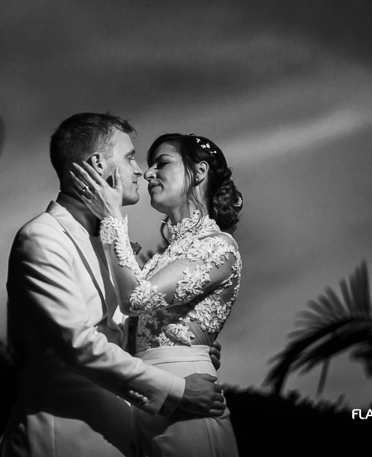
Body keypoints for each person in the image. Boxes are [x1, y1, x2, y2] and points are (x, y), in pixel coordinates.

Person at [0, 114, 225, 457]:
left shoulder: (110, 245)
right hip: (64, 438)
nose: (140, 171)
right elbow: (78, 343)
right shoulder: (41, 237)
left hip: (126, 437)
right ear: (97, 164)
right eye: (130, 157)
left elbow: (121, 335)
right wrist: (178, 389)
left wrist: (177, 345)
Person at [70, 132, 243, 457]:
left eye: (161, 163)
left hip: (187, 407)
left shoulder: (217, 245)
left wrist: (111, 218)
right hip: (146, 397)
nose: (148, 173)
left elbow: (136, 298)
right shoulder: (165, 257)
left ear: (200, 171)